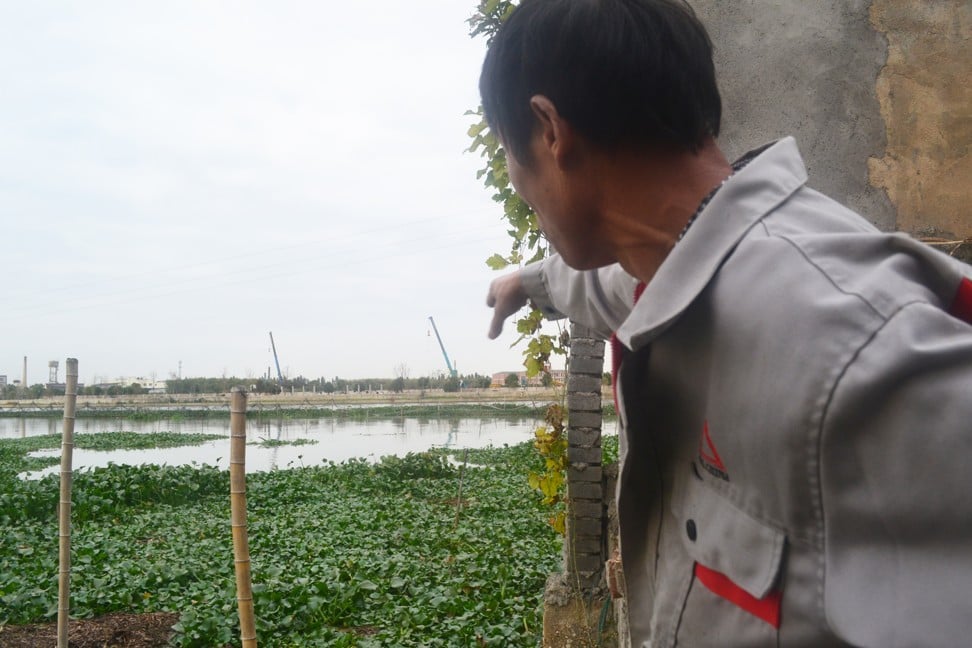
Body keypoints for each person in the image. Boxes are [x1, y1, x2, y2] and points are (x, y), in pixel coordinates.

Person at [479, 0, 972, 646]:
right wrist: (529, 282)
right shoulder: (665, 266)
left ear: (548, 129)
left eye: (511, 157)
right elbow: (605, 285)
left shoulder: (851, 346)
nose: (519, 185)